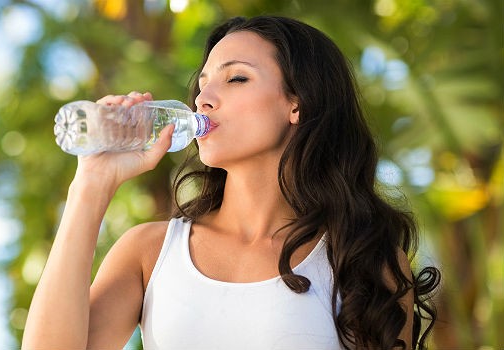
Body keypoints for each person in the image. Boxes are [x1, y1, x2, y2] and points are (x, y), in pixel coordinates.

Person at [22, 15, 440, 350]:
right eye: (202, 84)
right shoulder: (149, 252)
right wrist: (91, 184)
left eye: (235, 78)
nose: (203, 98)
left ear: (298, 103)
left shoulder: (361, 257)